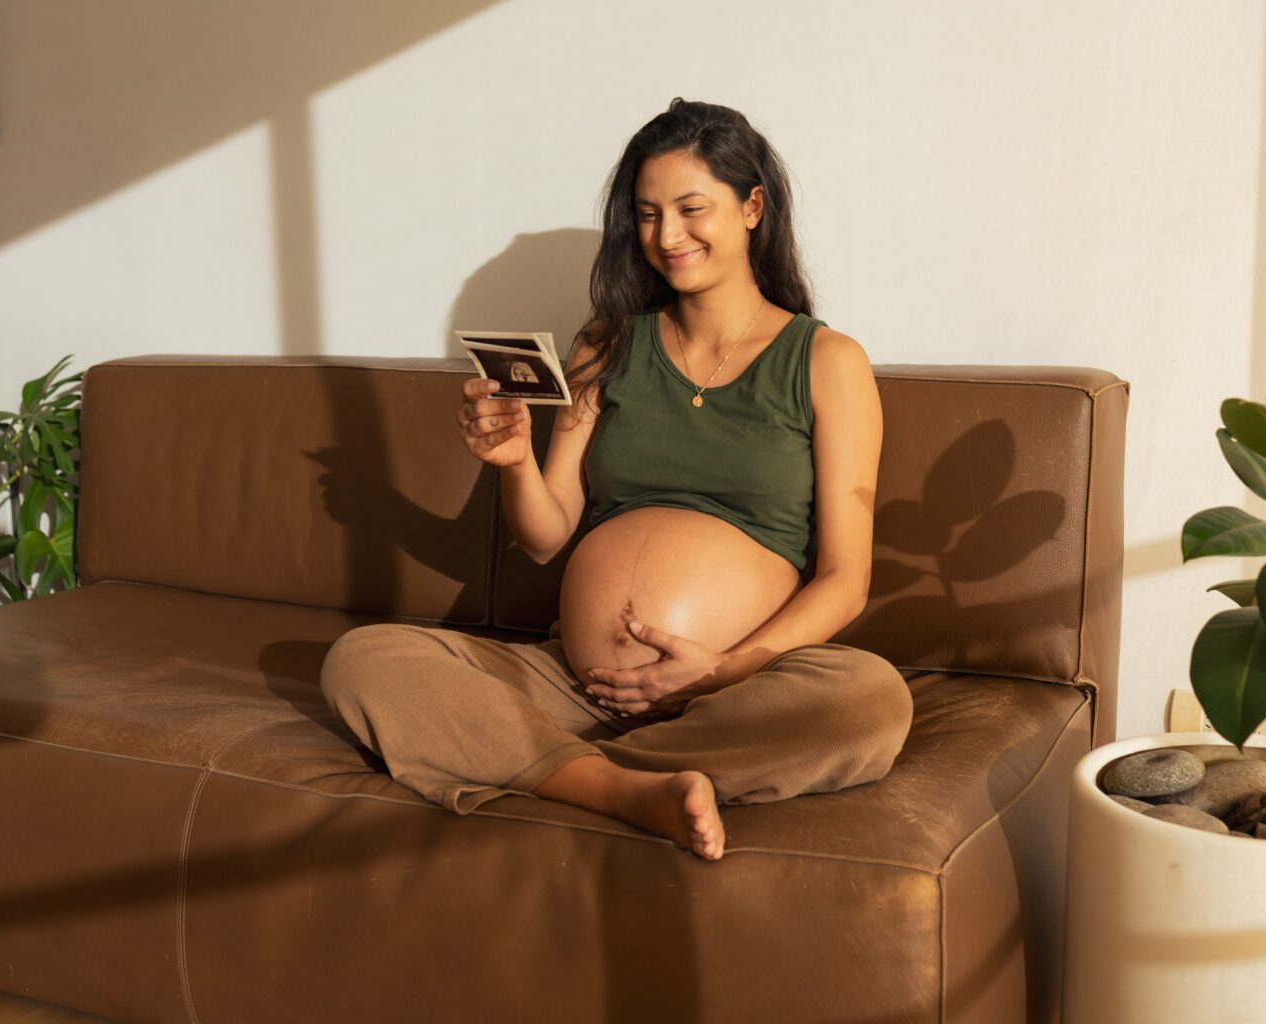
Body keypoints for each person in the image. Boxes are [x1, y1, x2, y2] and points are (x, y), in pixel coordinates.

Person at [320, 98, 913, 862]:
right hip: (577, 684)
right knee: (363, 662)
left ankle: (547, 765)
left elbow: (844, 578)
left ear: (752, 207)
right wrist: (515, 462)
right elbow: (545, 538)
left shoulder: (827, 362)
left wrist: (718, 672)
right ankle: (620, 788)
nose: (667, 237)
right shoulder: (607, 344)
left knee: (870, 701)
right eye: (647, 214)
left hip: (737, 690)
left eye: (691, 209)